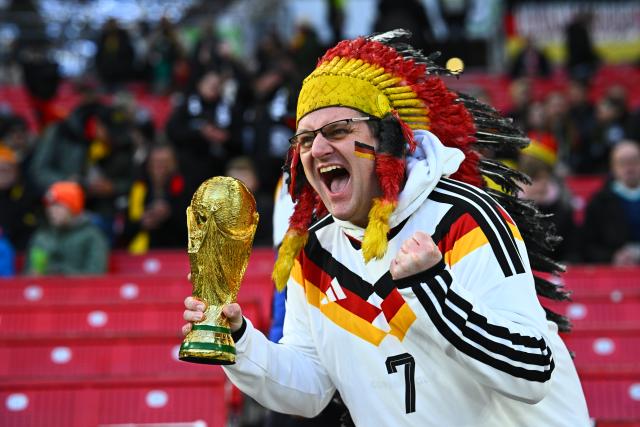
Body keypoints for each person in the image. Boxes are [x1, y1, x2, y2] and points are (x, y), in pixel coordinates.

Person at [182, 30, 589, 426]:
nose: (319, 149)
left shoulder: (464, 218)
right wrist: (239, 340)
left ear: (388, 140)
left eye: (339, 131)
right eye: (305, 140)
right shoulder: (313, 250)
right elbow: (310, 388)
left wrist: (434, 293)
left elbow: (531, 369)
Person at [25, 181, 109, 275]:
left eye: (58, 205)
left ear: (73, 207)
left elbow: (96, 276)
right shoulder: (42, 237)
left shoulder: (92, 237)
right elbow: (28, 275)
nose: (51, 211)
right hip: (46, 289)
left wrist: (59, 272)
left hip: (80, 289)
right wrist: (34, 274)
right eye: (49, 206)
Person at [581, 139, 640, 265]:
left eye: (634, 161)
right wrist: (612, 257)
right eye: (623, 163)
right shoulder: (599, 202)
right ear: (613, 167)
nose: (629, 168)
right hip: (614, 274)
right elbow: (587, 246)